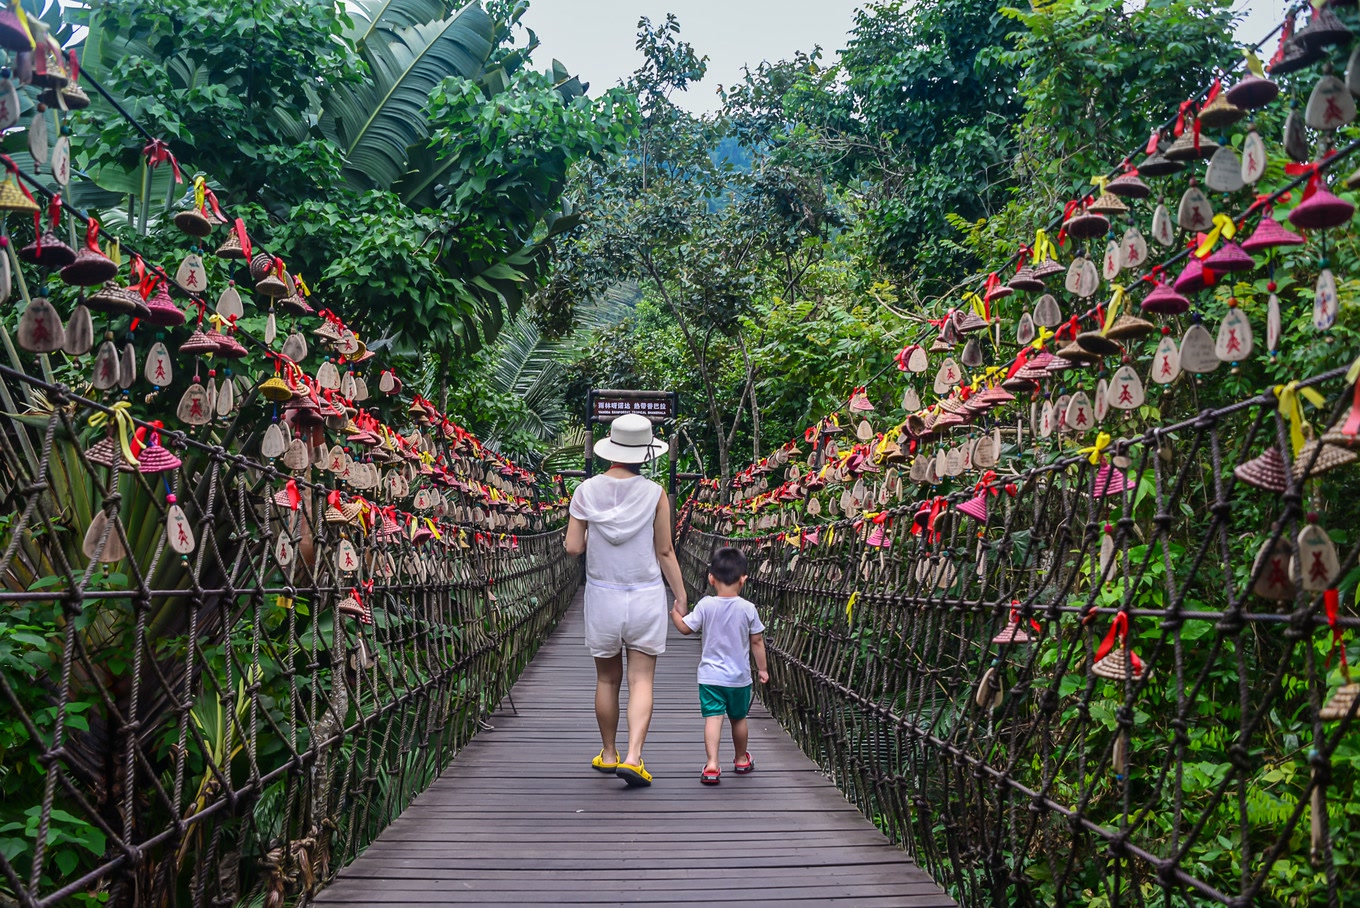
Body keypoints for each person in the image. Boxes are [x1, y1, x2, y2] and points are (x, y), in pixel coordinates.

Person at [564, 412, 687, 787]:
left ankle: (609, 753)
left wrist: (588, 539)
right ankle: (634, 757)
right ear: (644, 453)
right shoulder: (655, 493)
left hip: (603, 595)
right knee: (642, 680)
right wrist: (681, 597)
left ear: (610, 450)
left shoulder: (585, 491)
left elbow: (572, 547)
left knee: (607, 680)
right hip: (645, 595)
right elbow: (665, 551)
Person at [670, 545, 769, 785]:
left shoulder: (705, 605)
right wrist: (763, 669)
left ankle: (712, 764)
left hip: (710, 678)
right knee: (739, 720)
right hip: (739, 678)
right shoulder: (748, 609)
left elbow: (685, 628)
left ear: (711, 578)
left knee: (713, 719)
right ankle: (741, 759)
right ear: (743, 579)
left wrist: (674, 613)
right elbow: (756, 641)